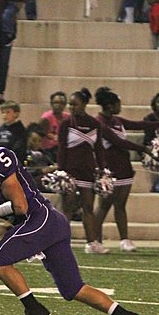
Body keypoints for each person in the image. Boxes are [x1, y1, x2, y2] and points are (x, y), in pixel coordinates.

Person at [0, 127, 145, 315]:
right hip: (46, 225)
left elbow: (20, 207)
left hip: (40, 220)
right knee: (73, 289)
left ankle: (33, 309)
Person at [94, 87, 159, 252]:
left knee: (120, 204)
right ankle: (95, 241)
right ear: (110, 105)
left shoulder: (118, 121)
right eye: (118, 104)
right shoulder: (99, 123)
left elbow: (139, 125)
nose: (120, 106)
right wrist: (144, 149)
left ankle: (124, 240)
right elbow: (119, 142)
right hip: (109, 168)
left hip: (124, 167)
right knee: (104, 205)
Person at [58, 87, 109, 254]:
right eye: (70, 105)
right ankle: (62, 242)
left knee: (88, 207)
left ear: (85, 104)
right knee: (68, 207)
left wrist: (102, 170)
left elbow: (99, 149)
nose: (72, 108)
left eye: (75, 104)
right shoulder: (66, 123)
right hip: (70, 172)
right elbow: (62, 149)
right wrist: (61, 172)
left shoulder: (95, 124)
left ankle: (92, 243)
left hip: (87, 171)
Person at [39, 91, 69, 158]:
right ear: (51, 104)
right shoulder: (46, 118)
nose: (59, 105)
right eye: (56, 102)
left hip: (64, 150)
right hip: (49, 151)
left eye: (62, 103)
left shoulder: (68, 117)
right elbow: (41, 134)